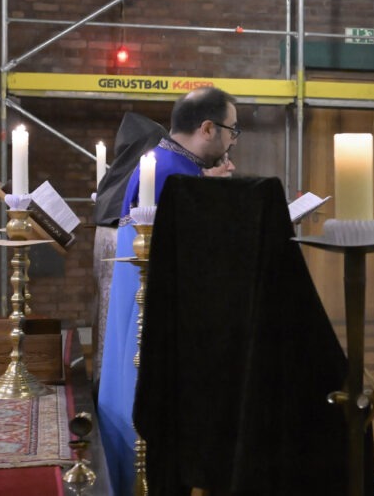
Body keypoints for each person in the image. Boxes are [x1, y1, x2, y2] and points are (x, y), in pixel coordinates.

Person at [98, 87, 239, 495]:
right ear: (208, 128)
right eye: (232, 130)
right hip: (153, 317)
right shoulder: (171, 172)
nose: (233, 141)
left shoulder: (166, 163)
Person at [92, 112, 166, 388]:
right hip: (122, 249)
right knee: (119, 320)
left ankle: (103, 379)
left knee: (105, 318)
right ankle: (115, 383)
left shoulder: (113, 180)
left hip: (108, 244)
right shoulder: (137, 177)